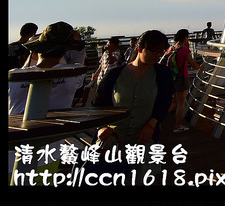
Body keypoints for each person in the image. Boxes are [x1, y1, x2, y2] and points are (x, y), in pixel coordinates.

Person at [8, 22, 86, 175]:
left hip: (13, 150)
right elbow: (77, 63)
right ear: (66, 50)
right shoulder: (74, 75)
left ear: (38, 49)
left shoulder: (14, 76)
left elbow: (31, 69)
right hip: (49, 151)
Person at [95, 29, 173, 147]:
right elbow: (98, 104)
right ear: (140, 48)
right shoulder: (114, 74)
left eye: (160, 52)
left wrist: (152, 124)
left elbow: (165, 102)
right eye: (153, 51)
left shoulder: (163, 74)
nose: (157, 56)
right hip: (113, 138)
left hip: (145, 139)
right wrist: (102, 128)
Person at [162, 29, 205, 133]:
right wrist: (201, 69)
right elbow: (192, 63)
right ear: (186, 37)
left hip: (172, 77)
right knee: (181, 103)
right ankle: (178, 125)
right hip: (181, 78)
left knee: (174, 101)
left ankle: (158, 118)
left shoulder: (171, 48)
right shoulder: (184, 50)